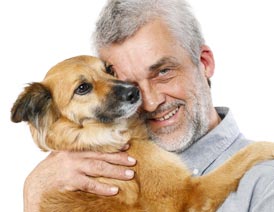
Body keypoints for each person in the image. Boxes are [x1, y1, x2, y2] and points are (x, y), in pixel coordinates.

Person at [23, 0, 274, 211]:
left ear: (204, 63)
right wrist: (35, 193)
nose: (151, 102)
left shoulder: (264, 182)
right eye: (127, 83)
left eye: (163, 71)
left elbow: (192, 200)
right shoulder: (72, 174)